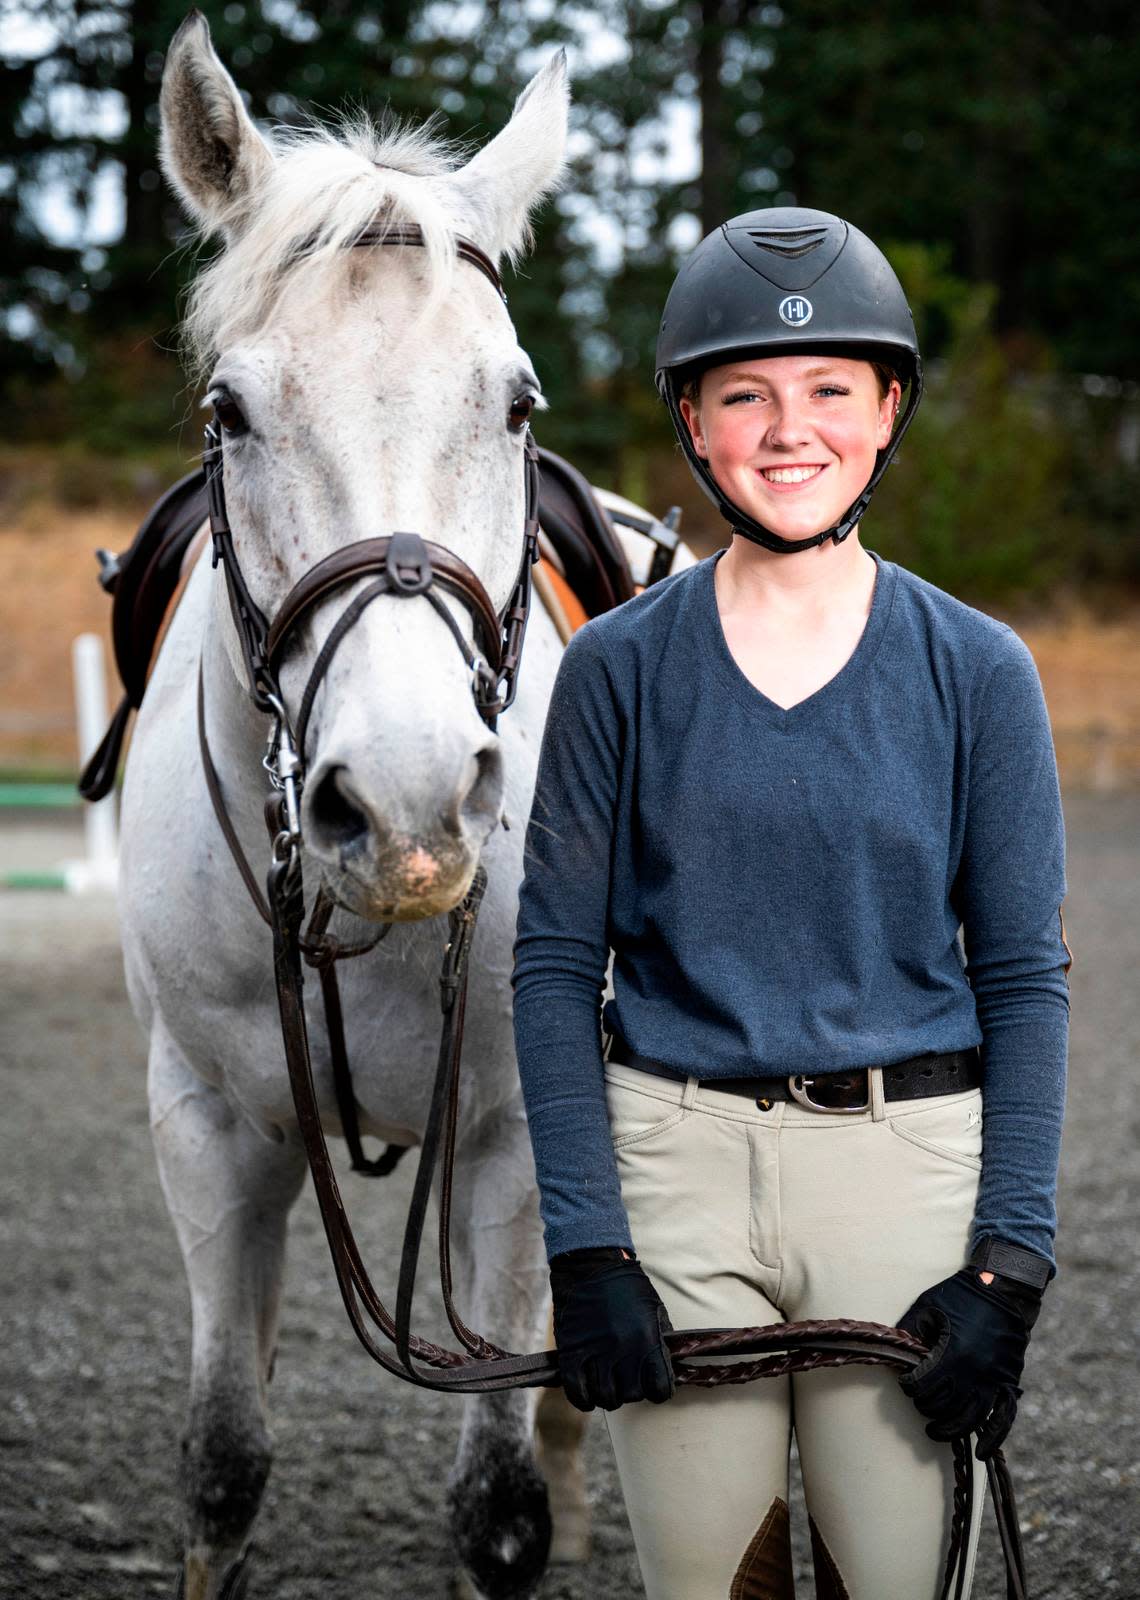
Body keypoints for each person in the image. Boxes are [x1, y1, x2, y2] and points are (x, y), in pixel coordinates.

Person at [511, 207, 1070, 1600]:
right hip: (675, 1168)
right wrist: (587, 1249)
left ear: (886, 411)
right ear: (693, 423)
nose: (788, 427)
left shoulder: (981, 672)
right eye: (744, 393)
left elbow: (1021, 977)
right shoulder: (617, 673)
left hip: (905, 1169)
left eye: (830, 390)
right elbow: (550, 966)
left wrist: (1009, 1261)